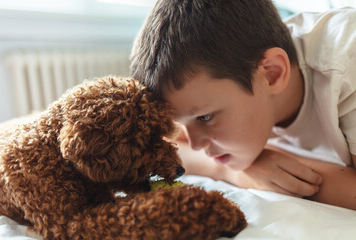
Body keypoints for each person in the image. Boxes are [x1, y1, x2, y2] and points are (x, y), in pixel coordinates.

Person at [130, 0, 356, 210]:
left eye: (205, 117)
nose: (196, 144)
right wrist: (235, 170)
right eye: (181, 124)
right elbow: (164, 148)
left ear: (272, 74)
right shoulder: (235, 68)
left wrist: (281, 163)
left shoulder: (347, 61)